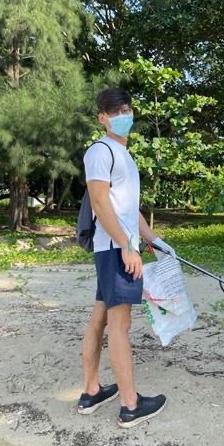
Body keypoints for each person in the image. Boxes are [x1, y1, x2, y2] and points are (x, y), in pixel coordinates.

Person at [77, 87, 176, 428]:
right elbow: (101, 204)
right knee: (121, 324)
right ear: (101, 118)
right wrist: (126, 246)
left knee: (100, 318)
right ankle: (130, 404)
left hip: (118, 247)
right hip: (114, 250)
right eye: (113, 112)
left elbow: (128, 210)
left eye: (126, 110)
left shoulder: (125, 156)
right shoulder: (99, 152)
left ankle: (91, 392)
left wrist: (154, 240)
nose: (122, 116)